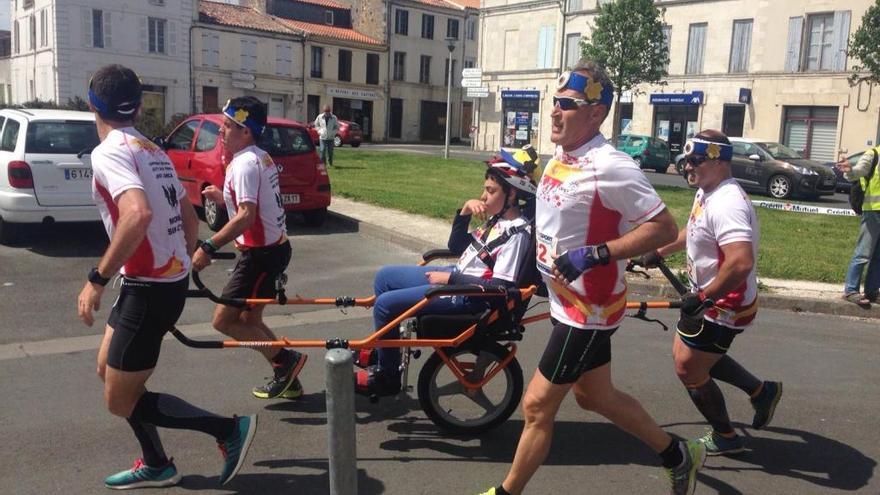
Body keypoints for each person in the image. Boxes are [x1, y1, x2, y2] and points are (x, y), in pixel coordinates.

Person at [479, 60, 704, 495]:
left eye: (567, 104)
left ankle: (507, 492)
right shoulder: (560, 158)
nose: (554, 112)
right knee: (594, 396)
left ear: (597, 113)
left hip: (588, 309)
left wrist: (599, 253)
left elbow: (664, 228)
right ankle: (679, 454)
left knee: (538, 405)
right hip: (563, 301)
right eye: (554, 102)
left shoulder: (611, 165)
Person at [77, 65, 256, 489]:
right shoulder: (152, 150)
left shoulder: (109, 152)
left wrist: (96, 278)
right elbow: (185, 212)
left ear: (92, 105)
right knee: (108, 370)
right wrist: (186, 257)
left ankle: (227, 430)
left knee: (119, 399)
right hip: (154, 282)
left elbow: (138, 213)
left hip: (148, 289)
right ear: (139, 107)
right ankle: (157, 463)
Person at [639, 129, 783, 457]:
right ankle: (761, 392)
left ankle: (726, 436)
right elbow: (696, 228)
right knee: (693, 357)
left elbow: (740, 262)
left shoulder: (727, 202)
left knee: (688, 367)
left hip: (724, 304)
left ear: (720, 161)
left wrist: (705, 297)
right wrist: (660, 251)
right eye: (686, 160)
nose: (688, 167)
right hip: (708, 299)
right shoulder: (709, 190)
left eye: (696, 161)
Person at [356, 146, 541, 397]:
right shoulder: (496, 220)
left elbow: (502, 287)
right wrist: (464, 213)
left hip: (467, 295)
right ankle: (386, 350)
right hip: (456, 277)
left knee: (385, 306)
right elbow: (456, 246)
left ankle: (388, 376)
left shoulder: (517, 233)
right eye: (484, 189)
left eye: (490, 191)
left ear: (512, 195)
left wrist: (451, 278)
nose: (483, 197)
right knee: (384, 277)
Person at [191, 96, 306, 400]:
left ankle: (286, 363)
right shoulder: (258, 157)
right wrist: (223, 198)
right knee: (251, 320)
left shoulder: (245, 165)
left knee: (224, 321)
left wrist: (208, 246)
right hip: (272, 249)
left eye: (228, 126)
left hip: (261, 256)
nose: (221, 132)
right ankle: (288, 375)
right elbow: (253, 206)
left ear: (246, 131)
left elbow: (246, 217)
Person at [836, 146, 880, 307]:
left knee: (878, 256)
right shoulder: (874, 154)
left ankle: (873, 291)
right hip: (873, 210)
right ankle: (851, 290)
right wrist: (850, 170)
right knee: (863, 253)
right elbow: (858, 172)